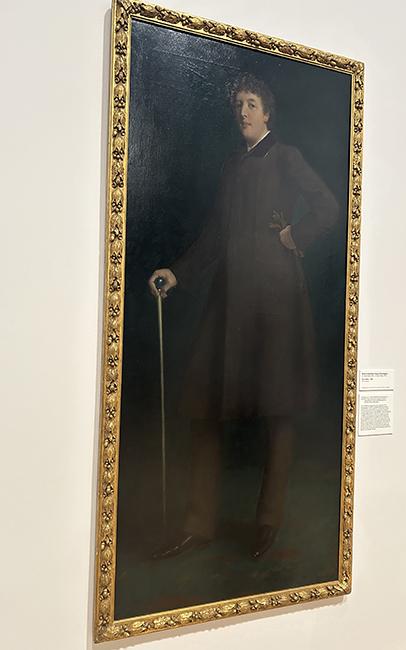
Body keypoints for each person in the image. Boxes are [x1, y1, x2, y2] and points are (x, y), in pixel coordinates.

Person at [148, 73, 339, 558]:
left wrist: (293, 236)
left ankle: (268, 521)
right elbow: (216, 232)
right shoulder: (233, 163)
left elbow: (327, 207)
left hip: (276, 303)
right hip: (230, 302)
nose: (243, 111)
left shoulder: (287, 155)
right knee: (205, 404)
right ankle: (198, 523)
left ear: (267, 112)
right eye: (238, 104)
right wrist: (177, 272)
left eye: (251, 103)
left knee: (278, 409)